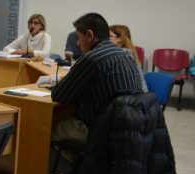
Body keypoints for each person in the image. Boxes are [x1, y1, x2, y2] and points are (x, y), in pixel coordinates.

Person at [51, 13, 144, 144]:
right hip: (129, 126)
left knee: (44, 127)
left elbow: (59, 95)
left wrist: (61, 83)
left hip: (99, 128)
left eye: (78, 38)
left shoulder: (91, 58)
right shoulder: (125, 55)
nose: (77, 43)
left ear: (89, 35)